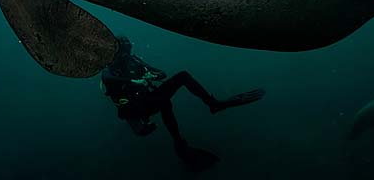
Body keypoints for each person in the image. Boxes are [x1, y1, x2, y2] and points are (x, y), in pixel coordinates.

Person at [101, 36, 265, 172]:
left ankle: (207, 110)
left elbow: (161, 73)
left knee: (179, 81)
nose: (127, 51)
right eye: (124, 48)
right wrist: (132, 81)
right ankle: (184, 135)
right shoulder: (112, 65)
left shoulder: (135, 60)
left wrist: (153, 75)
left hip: (148, 100)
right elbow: (106, 77)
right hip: (135, 108)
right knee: (164, 99)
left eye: (129, 47)